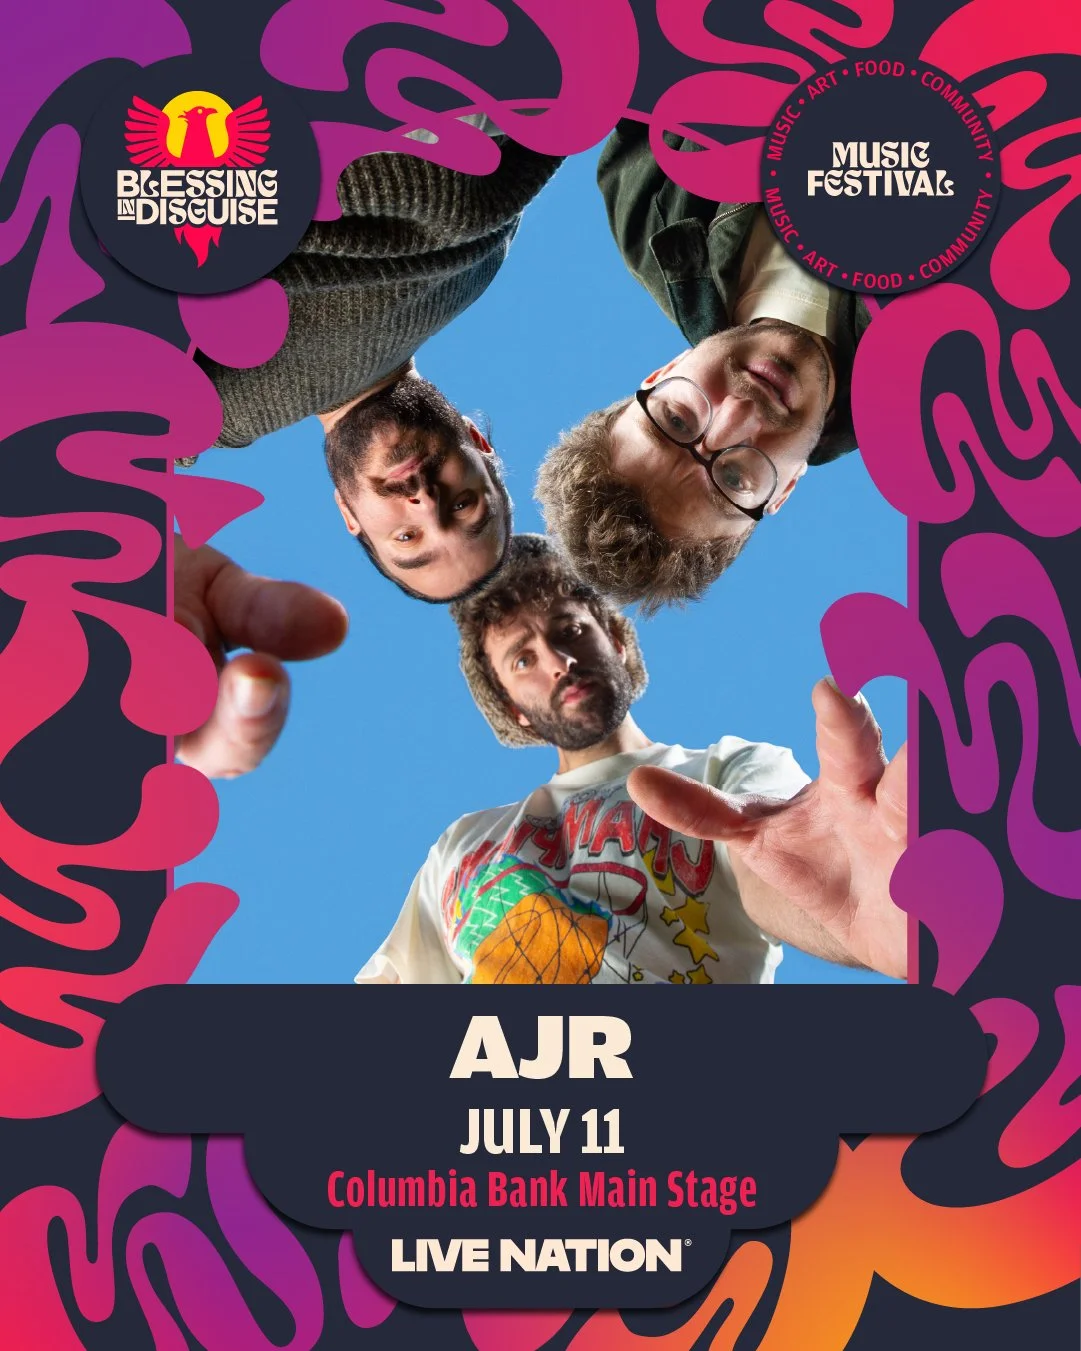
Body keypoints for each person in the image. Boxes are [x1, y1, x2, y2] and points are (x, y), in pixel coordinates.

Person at [355, 536, 906, 985]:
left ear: (616, 638)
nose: (558, 662)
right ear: (510, 708)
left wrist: (857, 909)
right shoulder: (460, 849)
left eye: (569, 630)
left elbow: (779, 874)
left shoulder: (729, 773)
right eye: (523, 658)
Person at [177, 135, 562, 776]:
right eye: (466, 504)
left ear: (350, 516)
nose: (425, 503)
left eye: (409, 536)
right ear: (482, 444)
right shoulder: (473, 257)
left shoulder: (198, 415)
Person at [535, 121, 870, 611]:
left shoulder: (647, 203)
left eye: (676, 420)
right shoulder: (969, 381)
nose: (739, 411)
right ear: (784, 490)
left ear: (662, 374)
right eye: (733, 480)